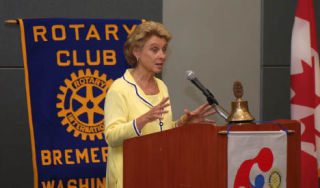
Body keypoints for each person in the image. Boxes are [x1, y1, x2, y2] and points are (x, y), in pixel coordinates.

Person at [104, 21, 216, 188]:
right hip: (129, 177)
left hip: (159, 174)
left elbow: (161, 132)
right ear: (137, 52)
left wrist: (183, 123)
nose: (162, 56)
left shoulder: (162, 87)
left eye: (164, 49)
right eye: (154, 49)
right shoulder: (119, 89)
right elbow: (111, 137)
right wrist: (142, 120)